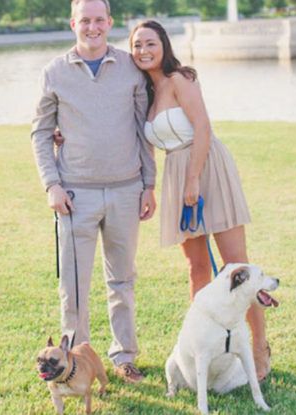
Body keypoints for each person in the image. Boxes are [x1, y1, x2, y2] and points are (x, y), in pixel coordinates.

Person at [130, 20, 272, 382]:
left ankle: (259, 347)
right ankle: (201, 349)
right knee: (196, 268)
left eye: (150, 43)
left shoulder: (181, 78)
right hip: (176, 175)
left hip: (206, 166)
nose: (143, 50)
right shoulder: (146, 93)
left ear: (163, 44)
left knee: (236, 266)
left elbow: (203, 127)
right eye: (137, 45)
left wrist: (194, 178)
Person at [31, 0, 156, 384]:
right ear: (73, 23)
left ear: (110, 22)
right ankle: (76, 363)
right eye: (85, 20)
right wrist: (52, 184)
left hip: (126, 190)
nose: (93, 27)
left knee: (122, 281)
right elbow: (40, 133)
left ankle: (125, 357)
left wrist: (149, 184)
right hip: (74, 196)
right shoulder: (54, 72)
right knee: (73, 288)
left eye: (99, 20)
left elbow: (143, 131)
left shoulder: (131, 68)